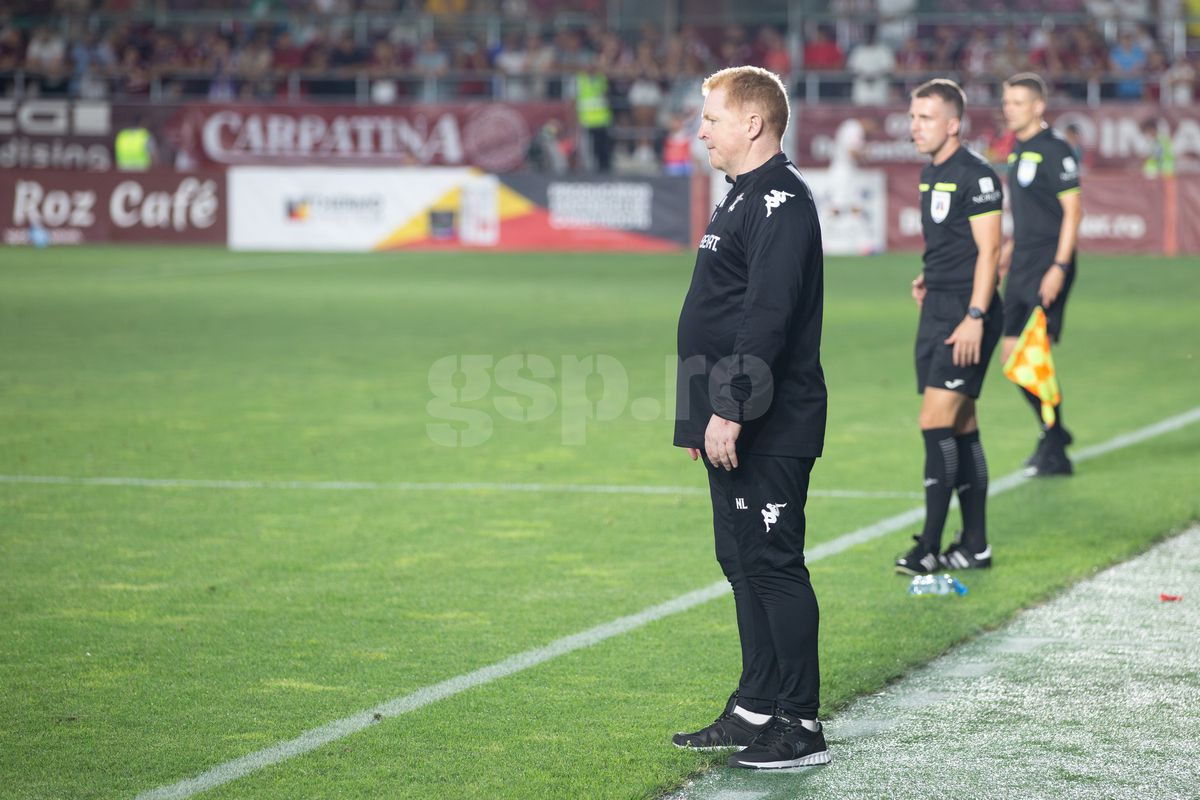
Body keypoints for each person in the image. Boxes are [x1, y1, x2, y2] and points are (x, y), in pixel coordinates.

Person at [671, 65, 830, 770]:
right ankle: (756, 704)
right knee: (739, 561)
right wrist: (695, 418)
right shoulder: (741, 199)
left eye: (711, 117)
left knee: (772, 565)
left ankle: (800, 723)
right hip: (730, 418)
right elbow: (719, 313)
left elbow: (765, 319)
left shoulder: (782, 204)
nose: (700, 129)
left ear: (754, 123)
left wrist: (730, 410)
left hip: (769, 420)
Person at [895, 78, 1004, 575]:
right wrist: (929, 279)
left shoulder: (977, 176)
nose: (914, 126)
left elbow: (990, 252)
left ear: (953, 124)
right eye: (913, 117)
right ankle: (975, 544)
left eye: (925, 118)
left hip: (967, 314)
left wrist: (976, 317)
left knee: (934, 422)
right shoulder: (929, 173)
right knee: (961, 426)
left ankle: (930, 548)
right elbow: (952, 245)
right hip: (938, 306)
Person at [999, 73, 1083, 476]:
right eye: (1007, 102)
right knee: (1012, 358)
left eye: (1017, 102)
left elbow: (1073, 212)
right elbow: (1030, 213)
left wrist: (1059, 267)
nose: (1009, 109)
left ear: (1038, 106)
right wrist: (1011, 249)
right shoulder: (1018, 150)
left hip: (1049, 265)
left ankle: (1055, 449)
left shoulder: (1056, 150)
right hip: (1021, 264)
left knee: (1036, 357)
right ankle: (1054, 430)